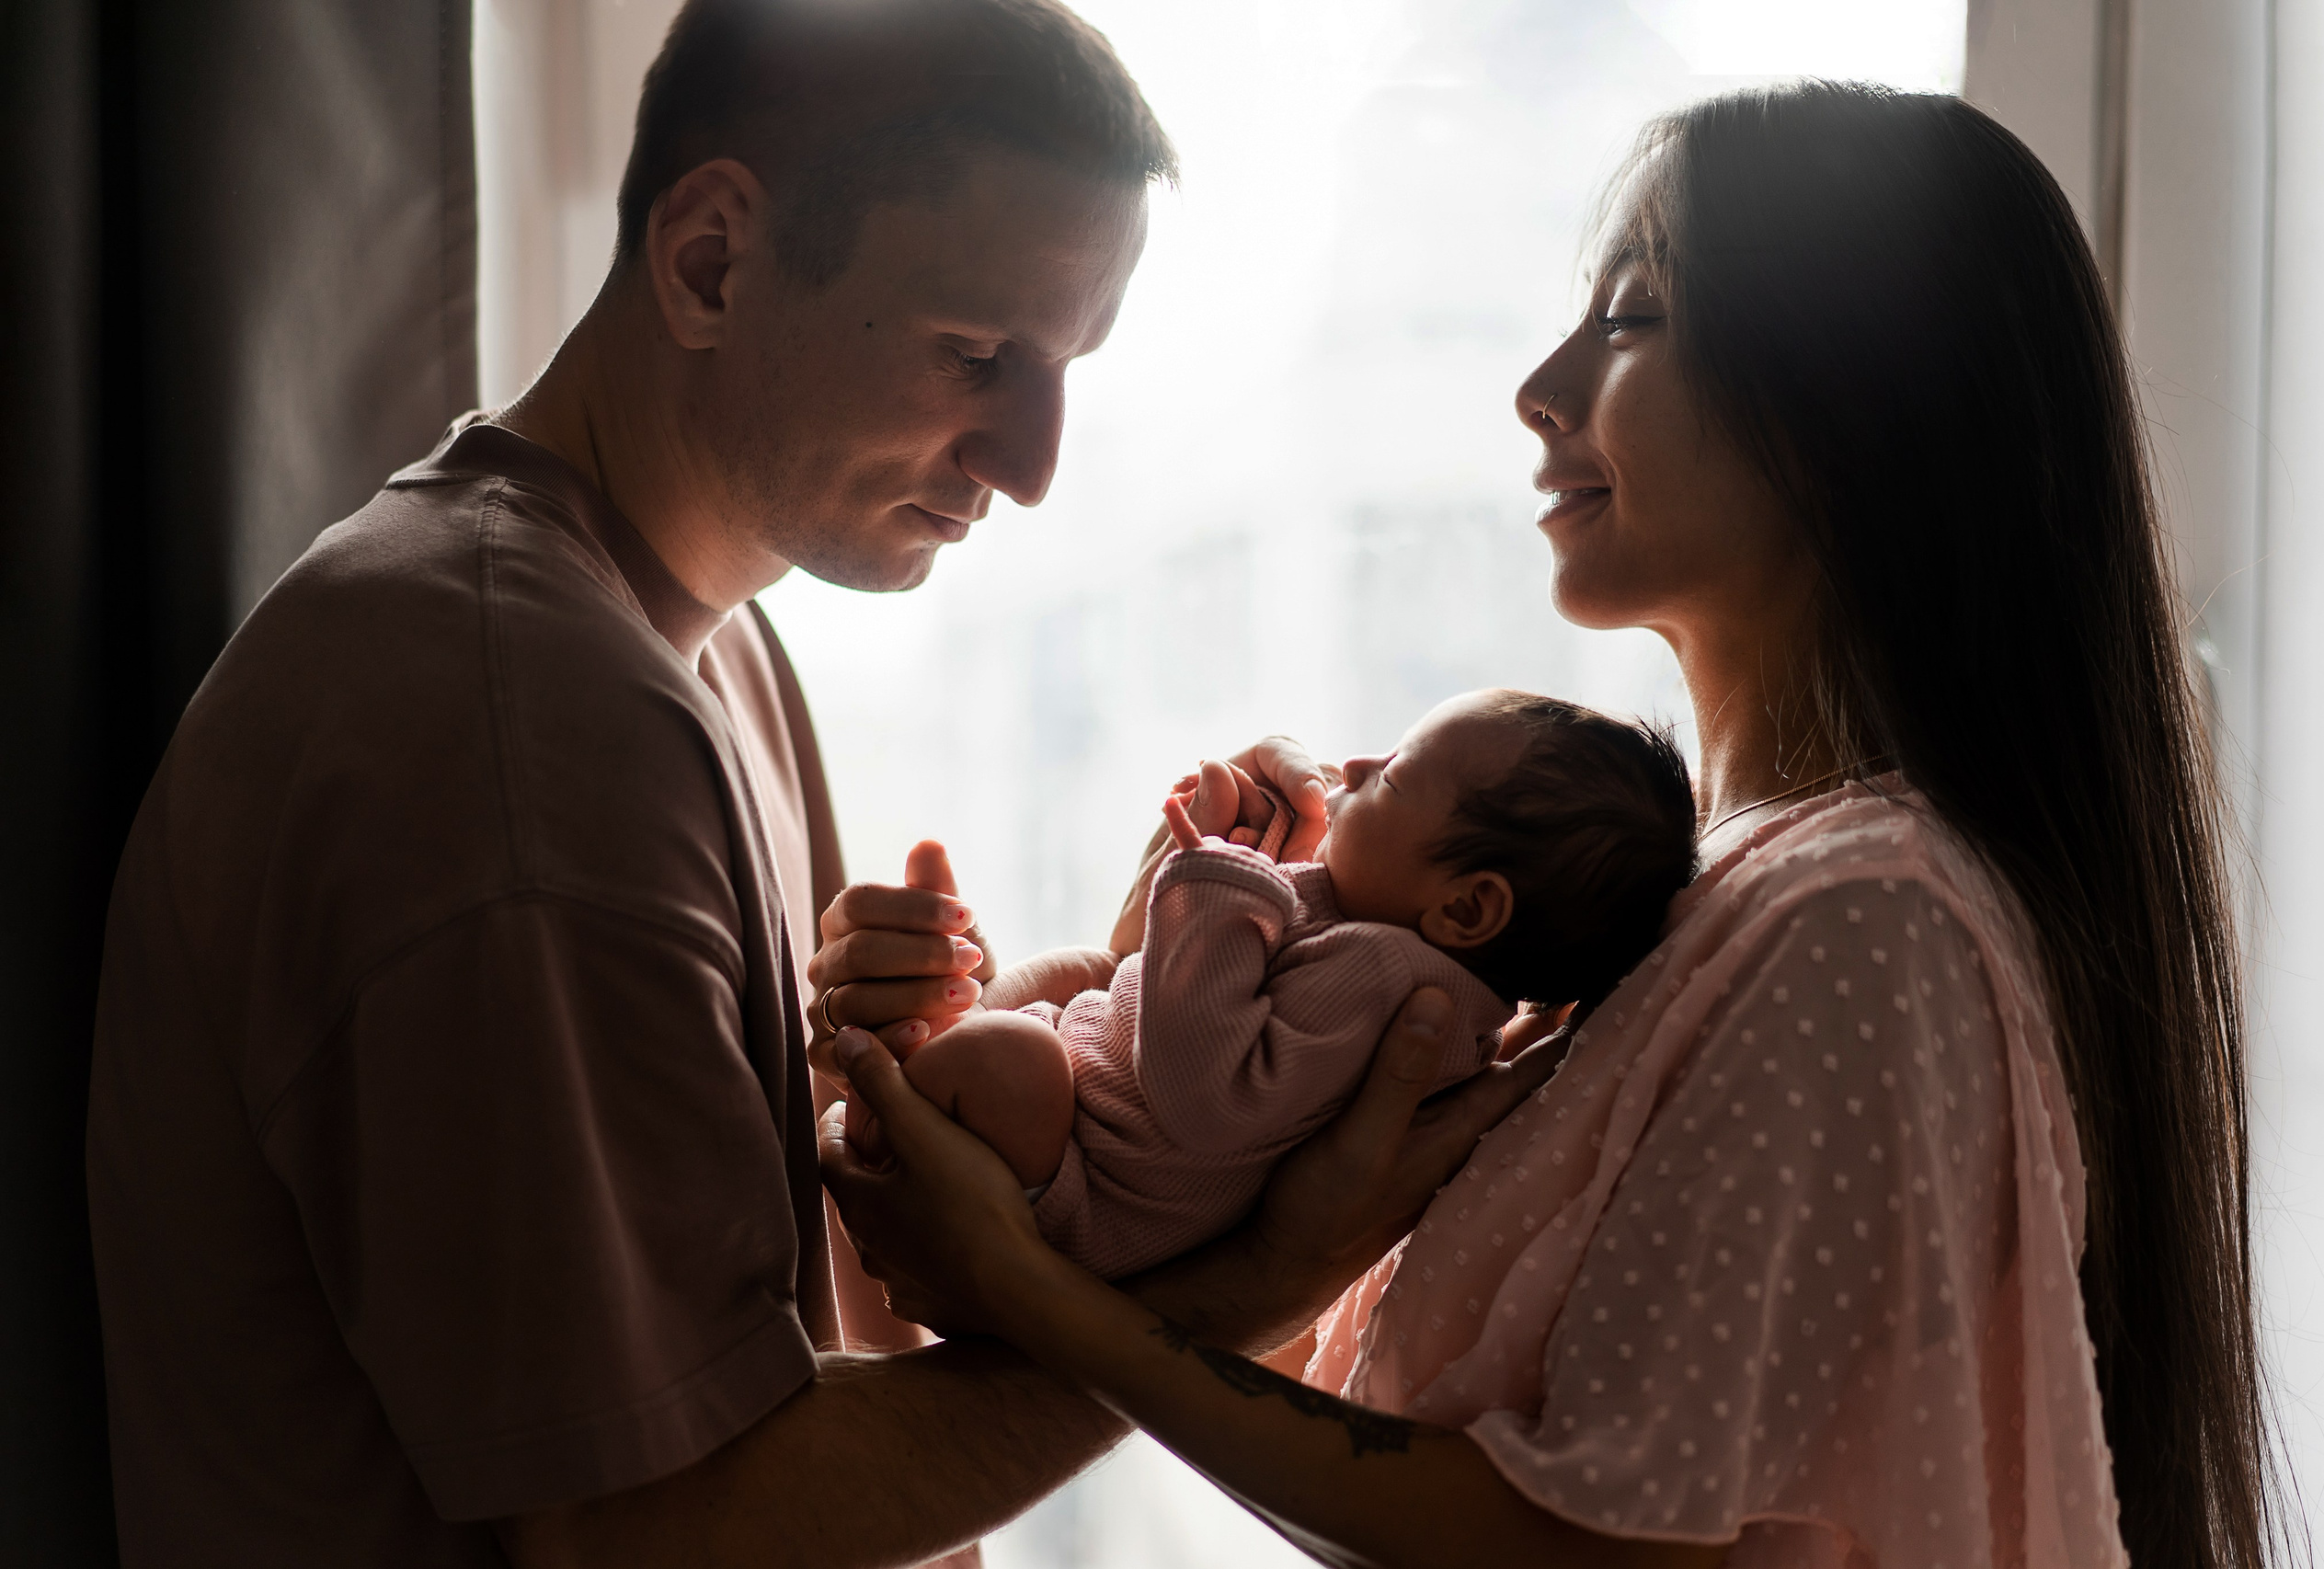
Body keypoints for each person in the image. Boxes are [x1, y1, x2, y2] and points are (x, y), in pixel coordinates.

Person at [84, 3, 1570, 1564]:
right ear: (712, 260)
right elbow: (659, 1529)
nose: (1034, 462)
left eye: (1065, 367)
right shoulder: (517, 714)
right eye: (978, 355)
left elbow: (758, 1342)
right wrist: (1262, 1271)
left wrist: (1081, 1033)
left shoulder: (700, 650)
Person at [816, 83, 2279, 1569]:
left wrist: (1038, 1292)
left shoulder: (1865, 920)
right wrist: (1117, 1006)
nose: (1541, 383)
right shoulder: (1709, 909)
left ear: (1856, 398)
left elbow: (1576, 1538)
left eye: (1634, 318)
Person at [846, 691, 1695, 1281]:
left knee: (1015, 1057)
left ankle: (906, 1098)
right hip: (1085, 1122)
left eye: (1393, 774)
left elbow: (1204, 1095)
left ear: (1469, 908)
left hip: (1081, 1196)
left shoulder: (1389, 976)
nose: (1356, 763)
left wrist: (1214, 885)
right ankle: (927, 1058)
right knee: (1080, 974)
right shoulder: (1402, 952)